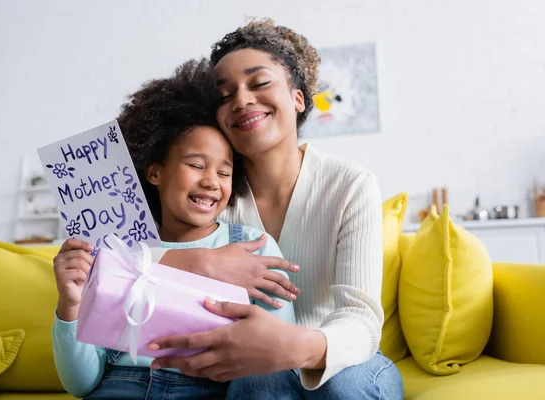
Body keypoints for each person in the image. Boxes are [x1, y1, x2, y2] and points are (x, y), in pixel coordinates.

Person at [145, 20, 404, 399]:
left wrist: (294, 346)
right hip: (249, 365)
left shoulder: (350, 185)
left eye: (259, 83)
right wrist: (202, 263)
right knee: (255, 382)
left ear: (298, 98)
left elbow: (360, 320)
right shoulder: (207, 193)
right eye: (224, 94)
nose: (241, 99)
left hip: (342, 358)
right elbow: (122, 261)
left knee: (344, 386)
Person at [51, 59, 295, 400]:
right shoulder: (115, 250)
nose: (211, 181)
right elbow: (80, 383)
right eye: (195, 165)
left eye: (224, 173)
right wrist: (69, 306)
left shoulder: (255, 248)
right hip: (121, 385)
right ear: (154, 172)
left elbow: (281, 357)